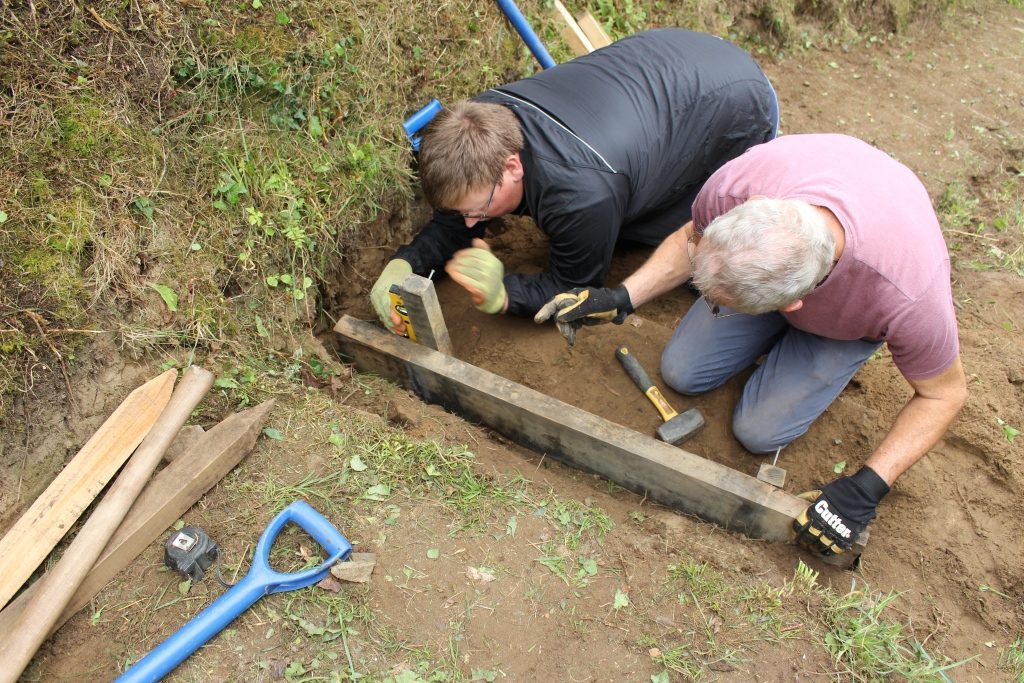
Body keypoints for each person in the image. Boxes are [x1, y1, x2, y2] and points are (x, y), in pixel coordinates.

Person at [535, 133, 968, 557]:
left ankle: (812, 343)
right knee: (681, 372)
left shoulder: (909, 294)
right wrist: (622, 298)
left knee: (758, 432)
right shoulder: (738, 187)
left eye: (719, 302)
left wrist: (867, 486)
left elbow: (944, 393)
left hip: (850, 319)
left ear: (794, 304)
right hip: (792, 258)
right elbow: (693, 237)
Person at [370, 28, 779, 332]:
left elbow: (574, 287)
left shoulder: (581, 195)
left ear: (513, 166)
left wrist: (505, 295)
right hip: (674, 57)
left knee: (688, 236)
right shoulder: (482, 118)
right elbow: (457, 214)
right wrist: (405, 263)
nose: (472, 222)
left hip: (737, 105)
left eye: (479, 209)